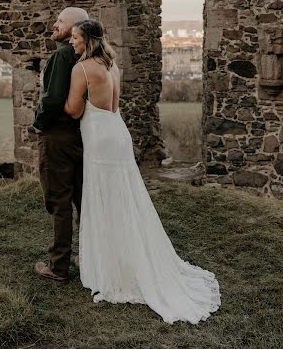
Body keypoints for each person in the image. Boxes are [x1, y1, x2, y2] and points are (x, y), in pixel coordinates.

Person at [64, 19, 221, 324]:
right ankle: (126, 255)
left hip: (98, 139)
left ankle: (112, 267)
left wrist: (73, 102)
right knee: (124, 197)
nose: (72, 42)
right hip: (118, 134)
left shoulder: (81, 69)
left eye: (75, 38)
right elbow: (114, 104)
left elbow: (72, 109)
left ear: (88, 40)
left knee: (102, 198)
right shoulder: (112, 66)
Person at [34, 7, 89, 284]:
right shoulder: (87, 56)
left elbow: (53, 99)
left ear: (73, 26)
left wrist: (39, 122)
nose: (54, 25)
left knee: (58, 201)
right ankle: (89, 258)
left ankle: (58, 266)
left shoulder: (61, 55)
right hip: (82, 137)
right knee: (83, 201)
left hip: (56, 137)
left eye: (59, 21)